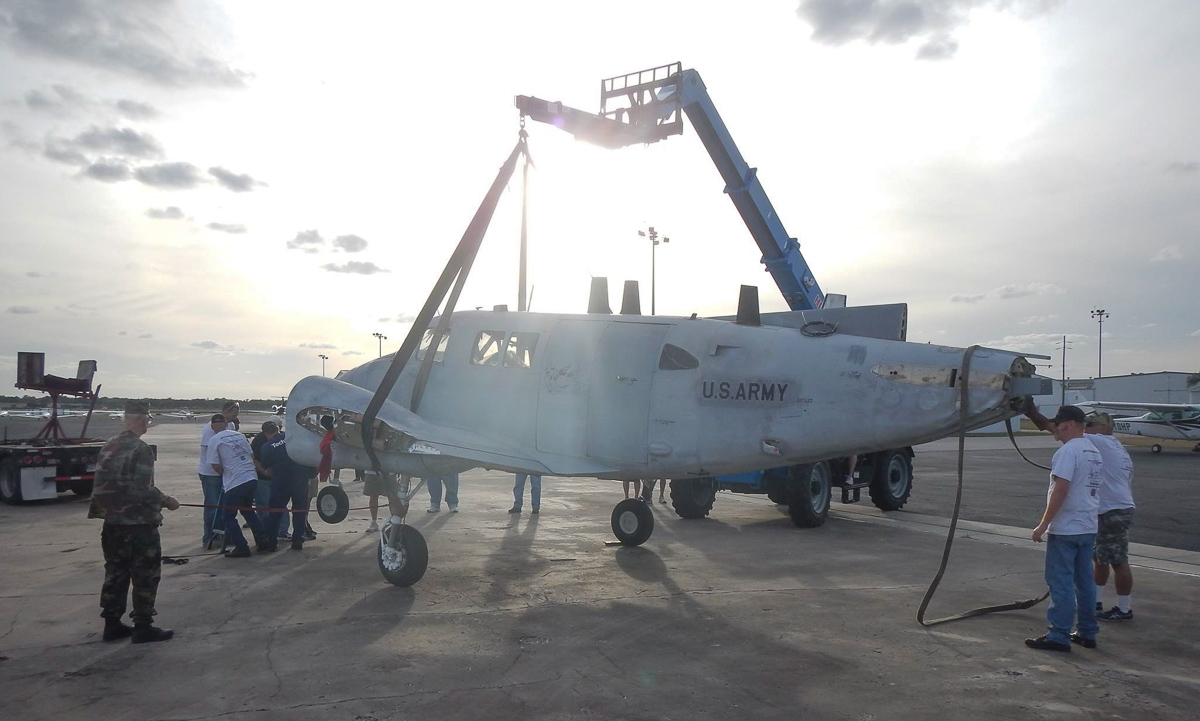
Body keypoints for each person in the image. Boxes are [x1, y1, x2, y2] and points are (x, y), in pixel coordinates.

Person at [1027, 404, 1136, 621]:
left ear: (1104, 428)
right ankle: (1095, 603)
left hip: (1110, 510)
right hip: (1115, 507)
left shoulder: (1095, 441)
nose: (1087, 428)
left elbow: (1053, 428)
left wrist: (1030, 411)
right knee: (1101, 558)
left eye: (1091, 424)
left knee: (1117, 560)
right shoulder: (1117, 448)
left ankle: (1123, 609)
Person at [88, 400, 179, 643]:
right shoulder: (141, 449)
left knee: (116, 571)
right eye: (147, 419)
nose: (148, 424)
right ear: (141, 420)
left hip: (113, 521)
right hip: (138, 523)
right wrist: (167, 500)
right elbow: (143, 488)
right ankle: (143, 626)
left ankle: (112, 624)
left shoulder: (110, 444)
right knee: (145, 574)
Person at [1025, 405, 1103, 652]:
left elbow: (1061, 489)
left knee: (1060, 582)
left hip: (1067, 528)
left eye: (1058, 424)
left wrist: (1043, 525)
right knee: (1085, 582)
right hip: (1088, 526)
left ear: (1069, 424)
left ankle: (1058, 635)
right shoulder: (1093, 451)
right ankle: (1087, 632)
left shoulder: (1068, 452)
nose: (1055, 428)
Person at [208, 418, 267, 558]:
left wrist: (226, 473)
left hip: (235, 481)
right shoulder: (239, 435)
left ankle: (241, 546)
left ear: (212, 427)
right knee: (248, 510)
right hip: (251, 477)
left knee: (228, 516)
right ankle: (263, 540)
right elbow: (251, 456)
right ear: (226, 424)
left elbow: (215, 465)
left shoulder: (214, 440)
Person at [259, 423, 314, 551]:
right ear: (278, 429)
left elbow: (266, 466)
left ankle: (272, 542)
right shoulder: (293, 439)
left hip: (281, 482)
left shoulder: (267, 447)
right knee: (299, 511)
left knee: (275, 512)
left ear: (265, 434)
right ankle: (298, 540)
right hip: (300, 480)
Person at [252, 421, 289, 540]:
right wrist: (265, 472)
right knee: (264, 506)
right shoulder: (259, 442)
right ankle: (265, 532)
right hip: (263, 477)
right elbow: (254, 459)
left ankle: (281, 531)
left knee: (277, 505)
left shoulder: (280, 439)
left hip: (276, 477)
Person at [197, 413, 228, 548]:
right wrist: (225, 473)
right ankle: (208, 538)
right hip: (210, 474)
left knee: (223, 507)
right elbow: (213, 462)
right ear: (212, 426)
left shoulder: (230, 427)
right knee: (212, 507)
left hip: (223, 472)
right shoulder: (208, 434)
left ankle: (222, 536)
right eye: (217, 426)